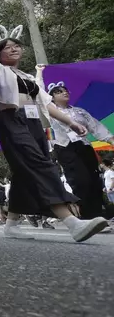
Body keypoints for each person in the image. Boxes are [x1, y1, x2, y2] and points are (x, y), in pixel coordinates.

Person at [0, 22, 107, 241]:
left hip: (34, 123)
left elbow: (48, 105)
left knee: (23, 171)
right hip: (12, 121)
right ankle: (72, 222)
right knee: (40, 165)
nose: (14, 49)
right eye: (7, 47)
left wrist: (71, 123)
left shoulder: (27, 77)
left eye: (17, 45)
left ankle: (11, 224)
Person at [43, 76, 114, 219]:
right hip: (65, 148)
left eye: (65, 90)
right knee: (80, 181)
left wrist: (110, 139)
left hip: (84, 146)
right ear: (51, 97)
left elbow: (95, 125)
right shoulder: (47, 112)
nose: (64, 92)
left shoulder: (80, 111)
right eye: (58, 91)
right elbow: (46, 131)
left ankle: (99, 213)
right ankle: (89, 215)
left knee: (94, 179)